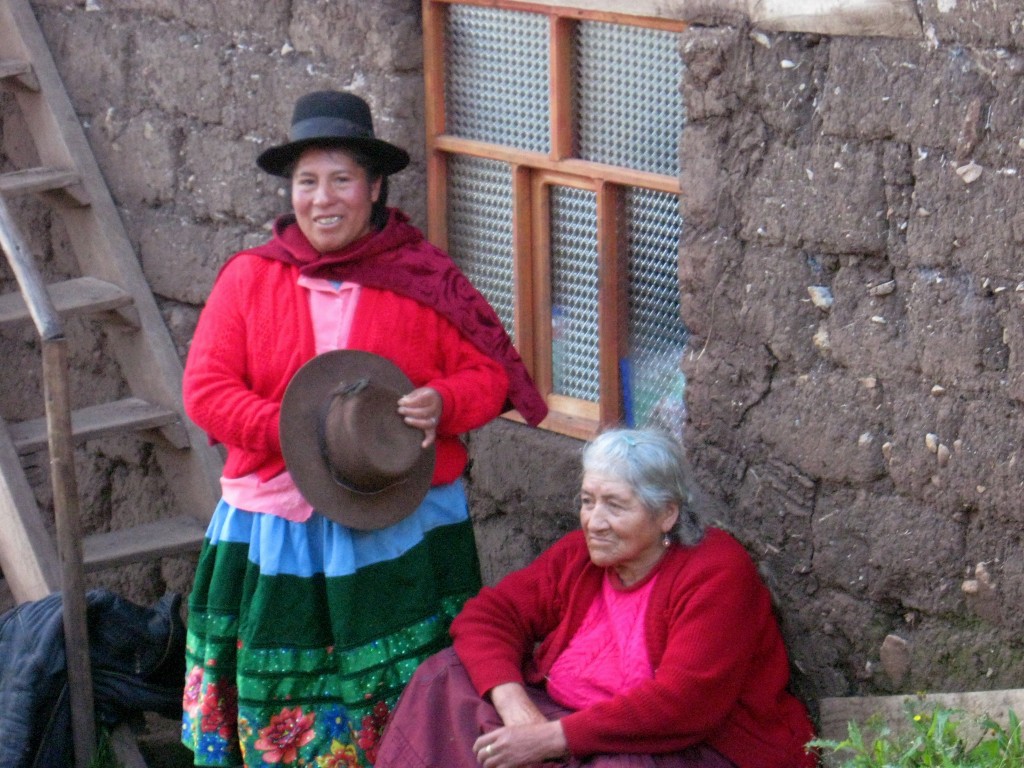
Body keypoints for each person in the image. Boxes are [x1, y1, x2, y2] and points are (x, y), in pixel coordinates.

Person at [179, 90, 546, 768]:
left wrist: (441, 403)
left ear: (374, 188)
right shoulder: (249, 281)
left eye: (342, 180)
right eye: (307, 182)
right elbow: (206, 392)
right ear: (290, 192)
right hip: (278, 533)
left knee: (406, 694)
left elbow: (488, 376)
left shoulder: (420, 278)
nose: (324, 199)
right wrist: (297, 432)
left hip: (396, 526)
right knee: (280, 703)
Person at [375, 428, 817, 768]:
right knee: (445, 675)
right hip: (565, 715)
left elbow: (682, 705)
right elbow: (490, 615)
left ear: (667, 514)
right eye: (588, 501)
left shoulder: (716, 571)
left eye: (615, 506)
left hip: (680, 744)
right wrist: (518, 710)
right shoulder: (582, 555)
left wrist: (551, 739)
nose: (594, 521)